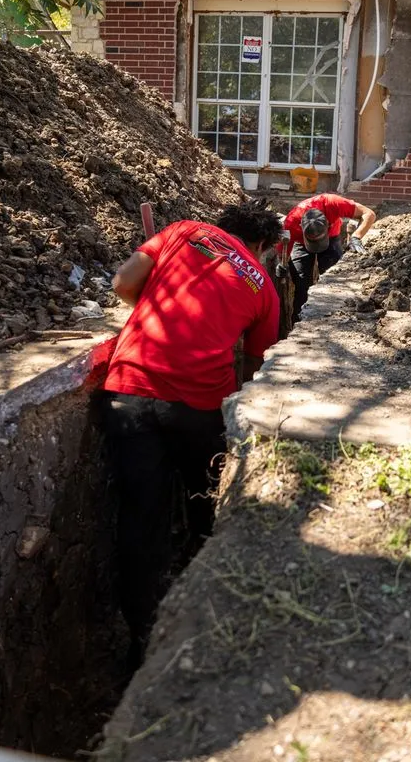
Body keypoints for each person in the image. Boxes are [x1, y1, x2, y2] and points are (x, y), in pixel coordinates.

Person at [98, 200, 282, 668]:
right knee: (207, 508)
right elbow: (259, 366)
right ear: (261, 245)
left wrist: (155, 312)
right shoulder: (263, 286)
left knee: (141, 517)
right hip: (200, 409)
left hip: (128, 391)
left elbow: (122, 283)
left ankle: (140, 637)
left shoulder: (182, 231)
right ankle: (198, 616)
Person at [279, 193, 376, 323]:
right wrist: (281, 265)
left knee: (334, 279)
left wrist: (356, 237)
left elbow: (369, 214)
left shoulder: (333, 203)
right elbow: (282, 251)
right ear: (301, 228)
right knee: (302, 284)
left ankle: (335, 315)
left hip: (331, 239)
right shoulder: (291, 222)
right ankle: (299, 322)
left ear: (328, 224)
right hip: (301, 244)